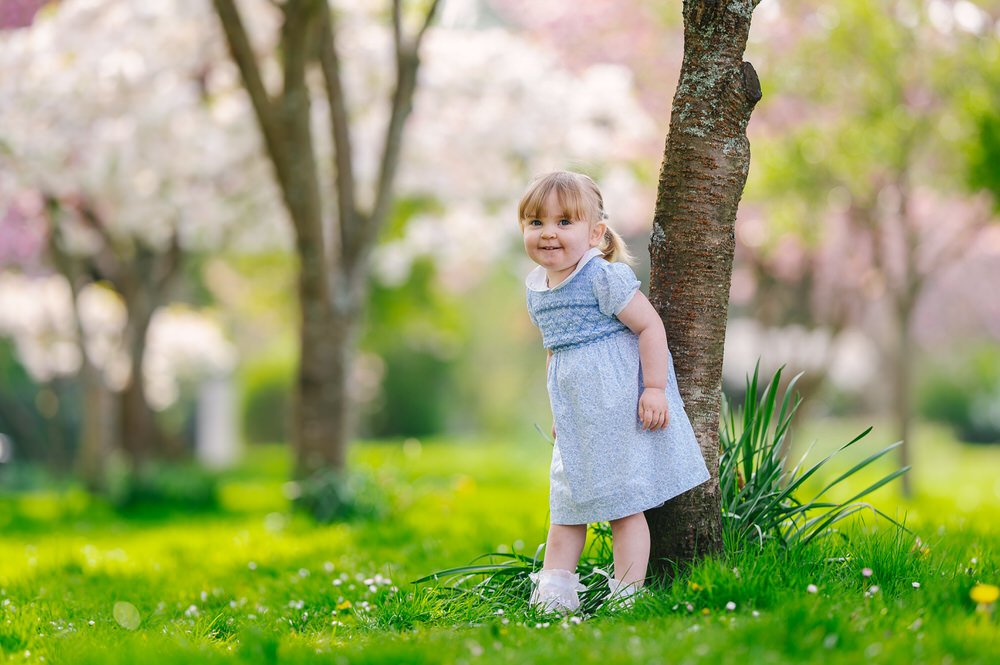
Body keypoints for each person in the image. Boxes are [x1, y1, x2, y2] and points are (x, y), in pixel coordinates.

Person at [520, 170, 711, 615]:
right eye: (535, 222)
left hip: (617, 406)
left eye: (564, 222)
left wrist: (655, 388)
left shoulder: (600, 277)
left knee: (625, 505)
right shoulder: (536, 290)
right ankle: (554, 597)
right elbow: (554, 352)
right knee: (566, 506)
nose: (548, 233)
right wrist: (559, 411)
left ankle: (627, 595)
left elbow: (649, 326)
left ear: (595, 233)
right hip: (578, 418)